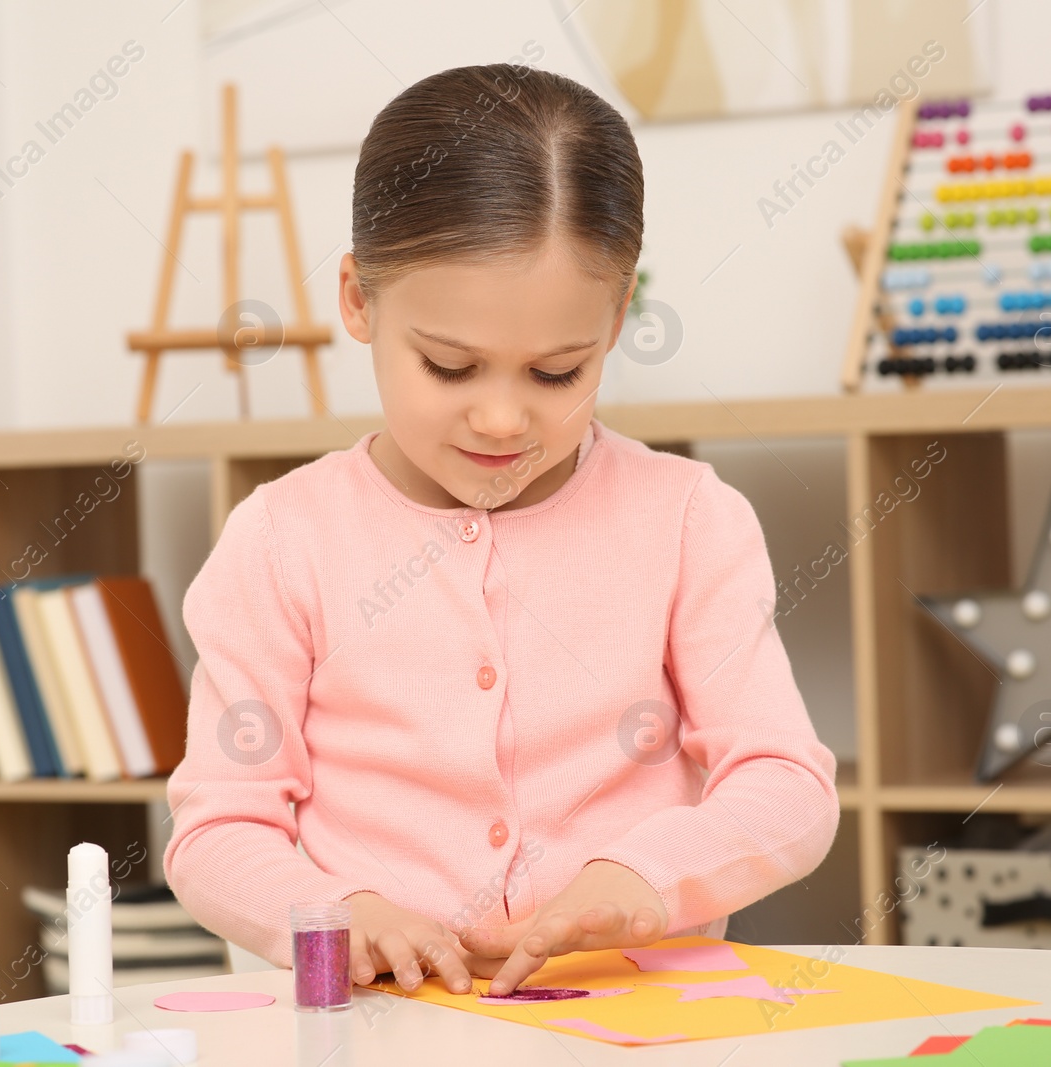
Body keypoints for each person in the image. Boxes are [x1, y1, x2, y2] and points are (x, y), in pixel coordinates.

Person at [164, 61, 838, 999]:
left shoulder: (688, 519)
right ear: (359, 300)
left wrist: (642, 879)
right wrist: (339, 908)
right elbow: (218, 832)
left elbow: (787, 784)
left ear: (616, 316)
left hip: (637, 1021)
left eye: (557, 372)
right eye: (449, 366)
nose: (501, 420)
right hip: (379, 1022)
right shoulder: (282, 538)